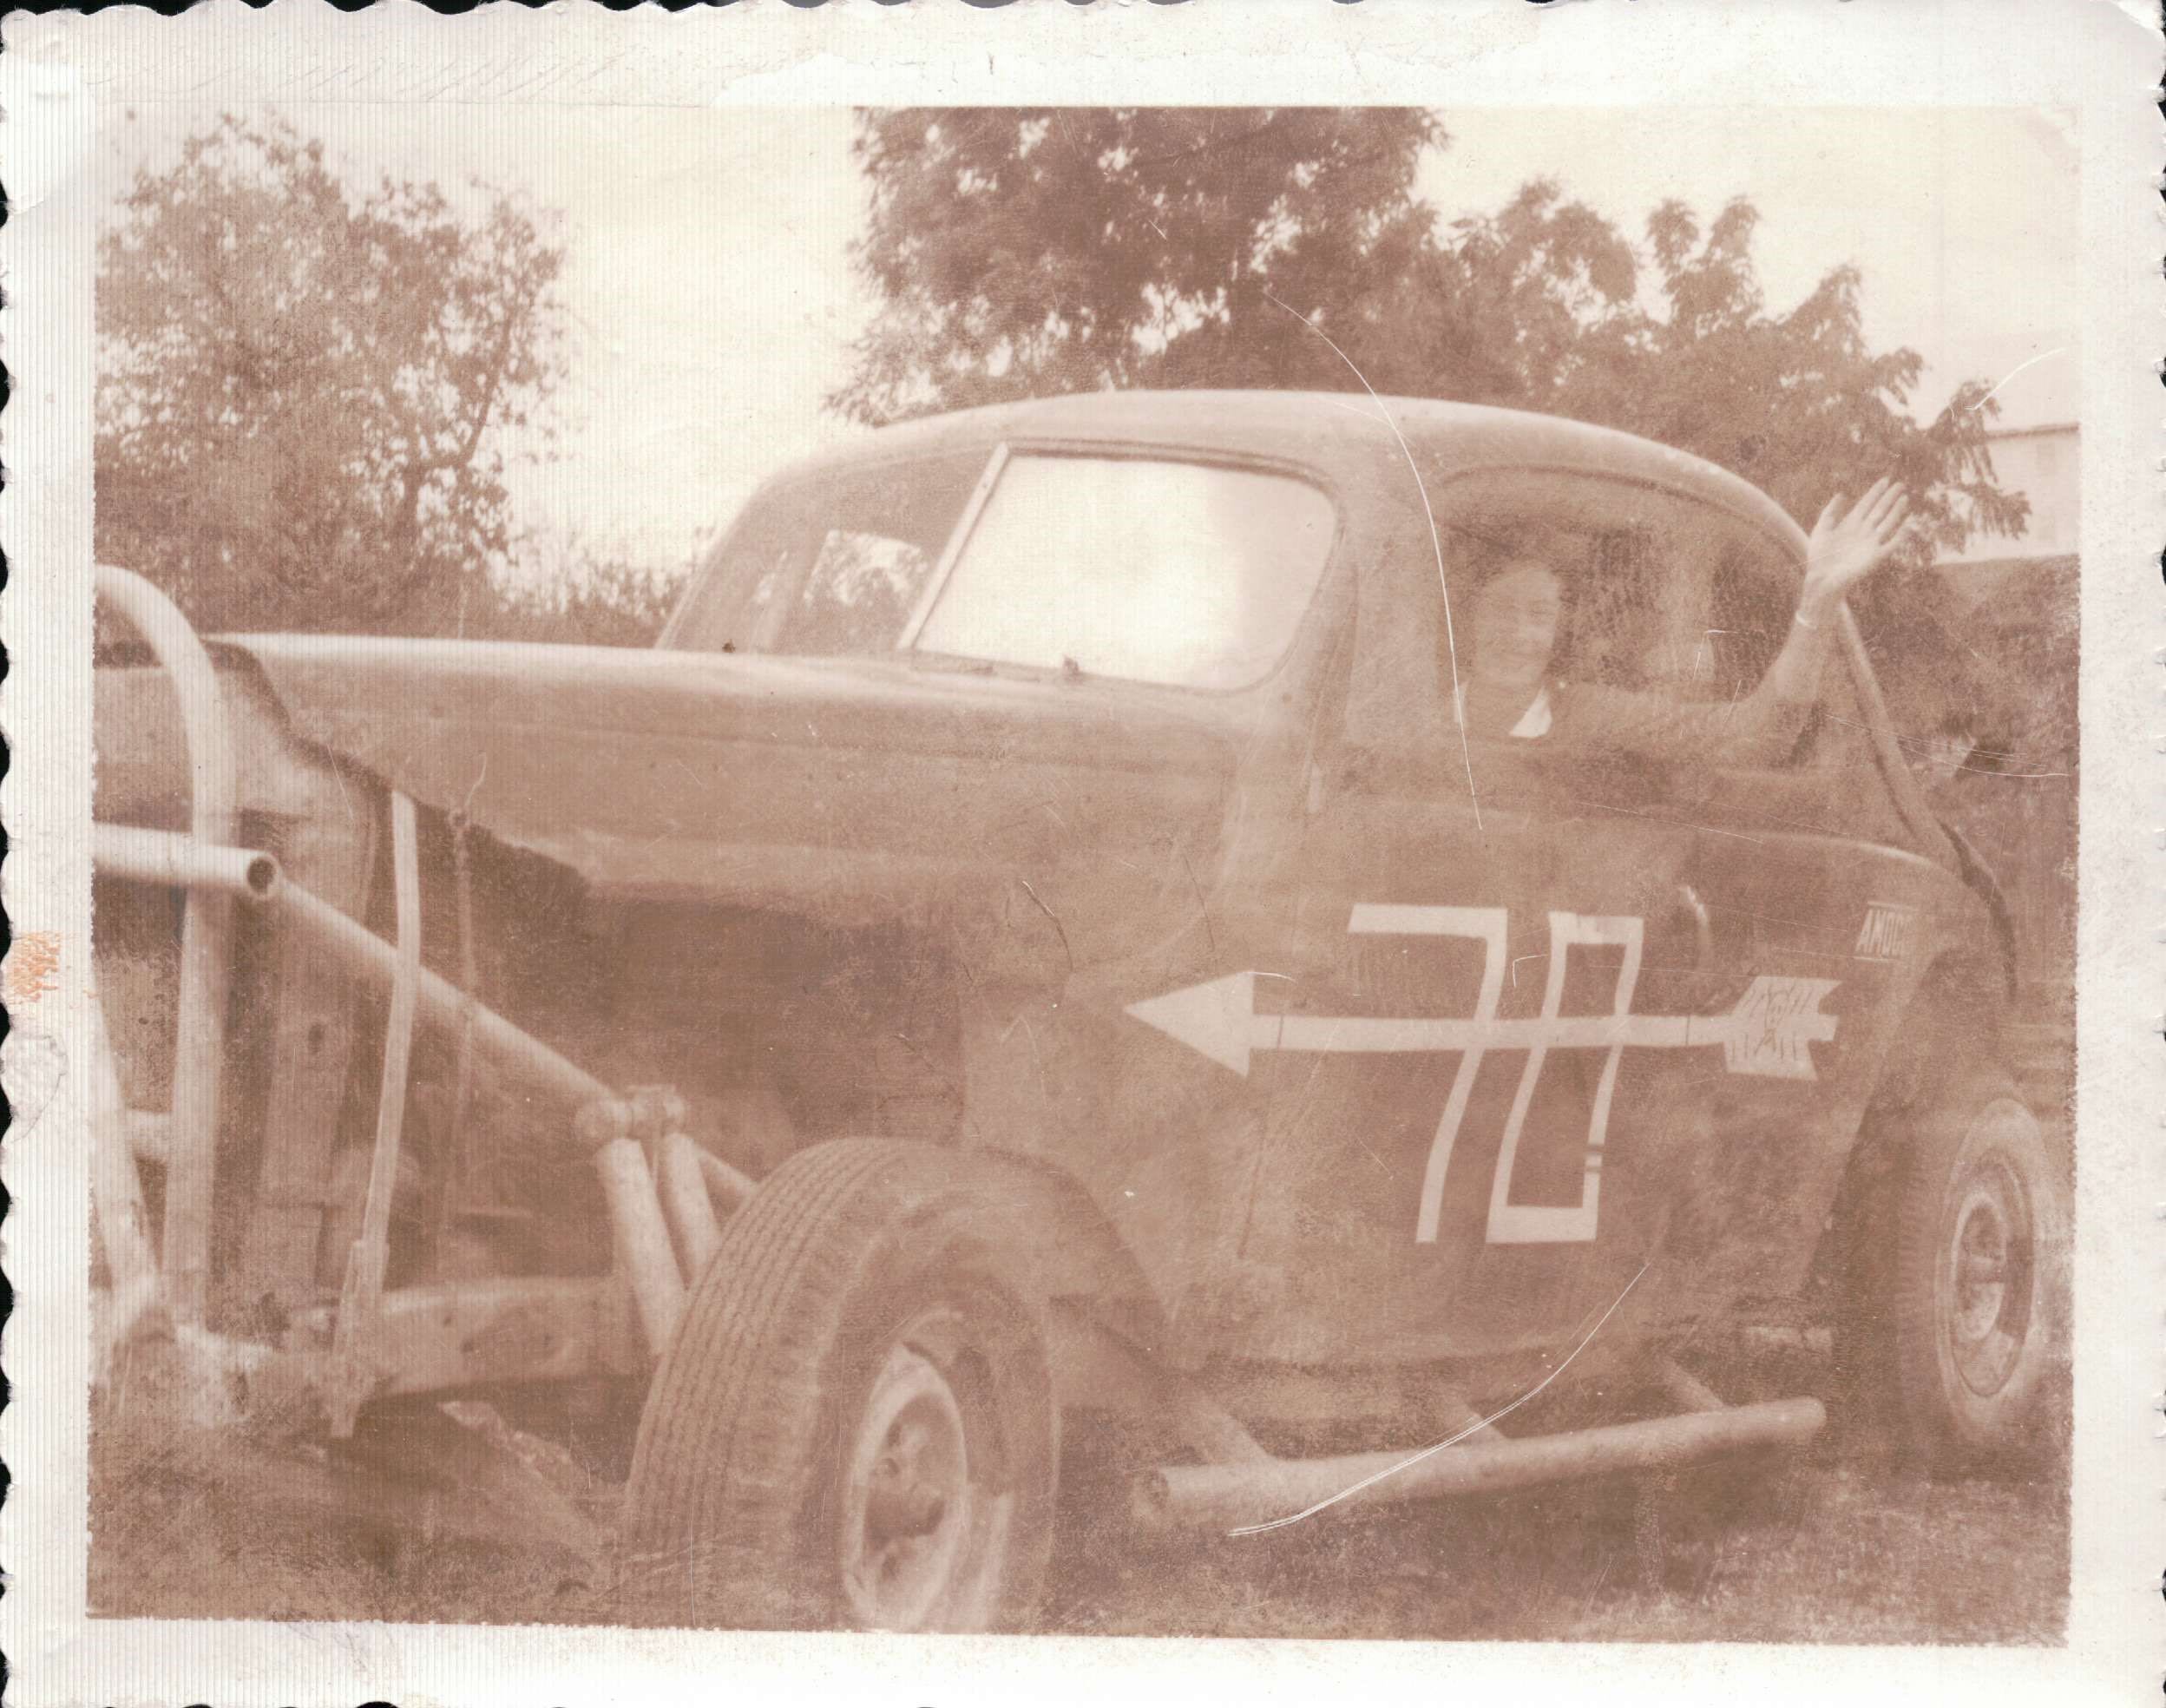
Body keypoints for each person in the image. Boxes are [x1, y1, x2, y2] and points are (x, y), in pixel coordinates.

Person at [1453, 479, 1913, 765]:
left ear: (1559, 629)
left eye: (1539, 614)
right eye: (1501, 609)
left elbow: (1756, 734)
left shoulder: (1590, 714)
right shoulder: (1410, 715)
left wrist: (1817, 604)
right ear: (1468, 616)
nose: (1518, 635)